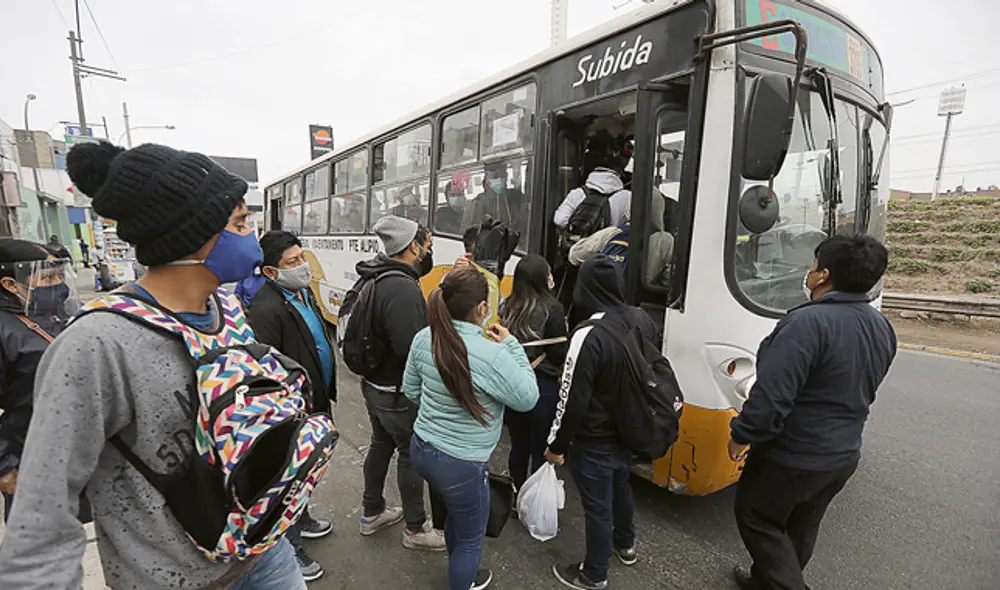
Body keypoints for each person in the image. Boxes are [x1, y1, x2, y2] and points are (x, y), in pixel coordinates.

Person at [0, 141, 307, 589]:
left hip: (266, 556)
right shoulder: (96, 344)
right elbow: (42, 521)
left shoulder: (226, 306)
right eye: (240, 223)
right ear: (193, 235)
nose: (251, 237)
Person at [728, 235, 896, 590]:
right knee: (801, 526)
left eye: (814, 264)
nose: (809, 272)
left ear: (824, 275)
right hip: (842, 455)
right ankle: (764, 582)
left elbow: (771, 398)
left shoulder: (807, 323)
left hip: (793, 456)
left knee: (757, 517)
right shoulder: (880, 325)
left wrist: (742, 436)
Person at [404, 266, 538, 590]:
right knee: (469, 538)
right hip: (462, 464)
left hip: (422, 449)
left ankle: (459, 572)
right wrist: (512, 345)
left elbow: (411, 391)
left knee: (455, 517)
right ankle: (462, 579)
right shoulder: (493, 354)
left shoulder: (424, 338)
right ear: (481, 308)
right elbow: (528, 398)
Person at [546, 255, 660, 590]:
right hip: (629, 429)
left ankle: (594, 573)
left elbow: (572, 398)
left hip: (595, 436)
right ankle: (625, 544)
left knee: (597, 506)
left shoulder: (588, 333)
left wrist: (556, 445)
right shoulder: (641, 318)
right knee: (621, 486)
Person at [247, 230, 335, 582]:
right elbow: (267, 371)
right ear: (271, 272)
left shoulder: (302, 292)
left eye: (301, 257)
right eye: (292, 262)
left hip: (315, 397)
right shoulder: (265, 309)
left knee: (306, 474)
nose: (302, 266)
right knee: (288, 481)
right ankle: (291, 547)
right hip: (291, 410)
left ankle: (303, 517)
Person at [353, 215, 446, 551]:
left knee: (381, 444)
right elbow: (412, 350)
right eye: (425, 246)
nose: (427, 251)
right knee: (410, 454)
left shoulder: (377, 274)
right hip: (396, 391)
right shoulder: (403, 289)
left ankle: (372, 512)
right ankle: (416, 529)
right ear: (413, 247)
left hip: (374, 384)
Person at [0, 239, 88, 523]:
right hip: (31, 453)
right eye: (48, 278)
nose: (58, 284)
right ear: (10, 284)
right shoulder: (5, 329)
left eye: (61, 276)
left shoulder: (59, 314)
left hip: (82, 448)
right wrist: (4, 466)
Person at [498, 255, 567, 490]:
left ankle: (515, 494)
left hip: (514, 384)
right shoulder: (553, 308)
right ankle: (534, 502)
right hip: (542, 387)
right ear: (541, 278)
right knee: (540, 448)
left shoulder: (508, 306)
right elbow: (558, 353)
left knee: (518, 446)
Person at [553, 157, 630, 235]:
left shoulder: (577, 193)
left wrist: (576, 228)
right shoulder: (627, 197)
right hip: (609, 242)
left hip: (579, 241)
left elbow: (560, 220)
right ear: (618, 173)